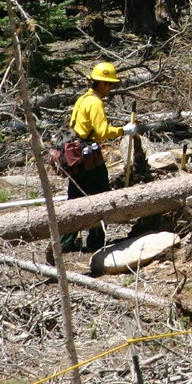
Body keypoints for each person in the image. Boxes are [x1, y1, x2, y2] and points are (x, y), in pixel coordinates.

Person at [61, 62, 140, 252]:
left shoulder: (83, 99)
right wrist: (123, 130)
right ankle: (97, 242)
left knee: (75, 197)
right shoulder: (95, 102)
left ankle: (65, 242)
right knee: (101, 195)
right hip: (88, 158)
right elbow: (102, 131)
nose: (110, 88)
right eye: (110, 84)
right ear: (102, 83)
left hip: (74, 154)